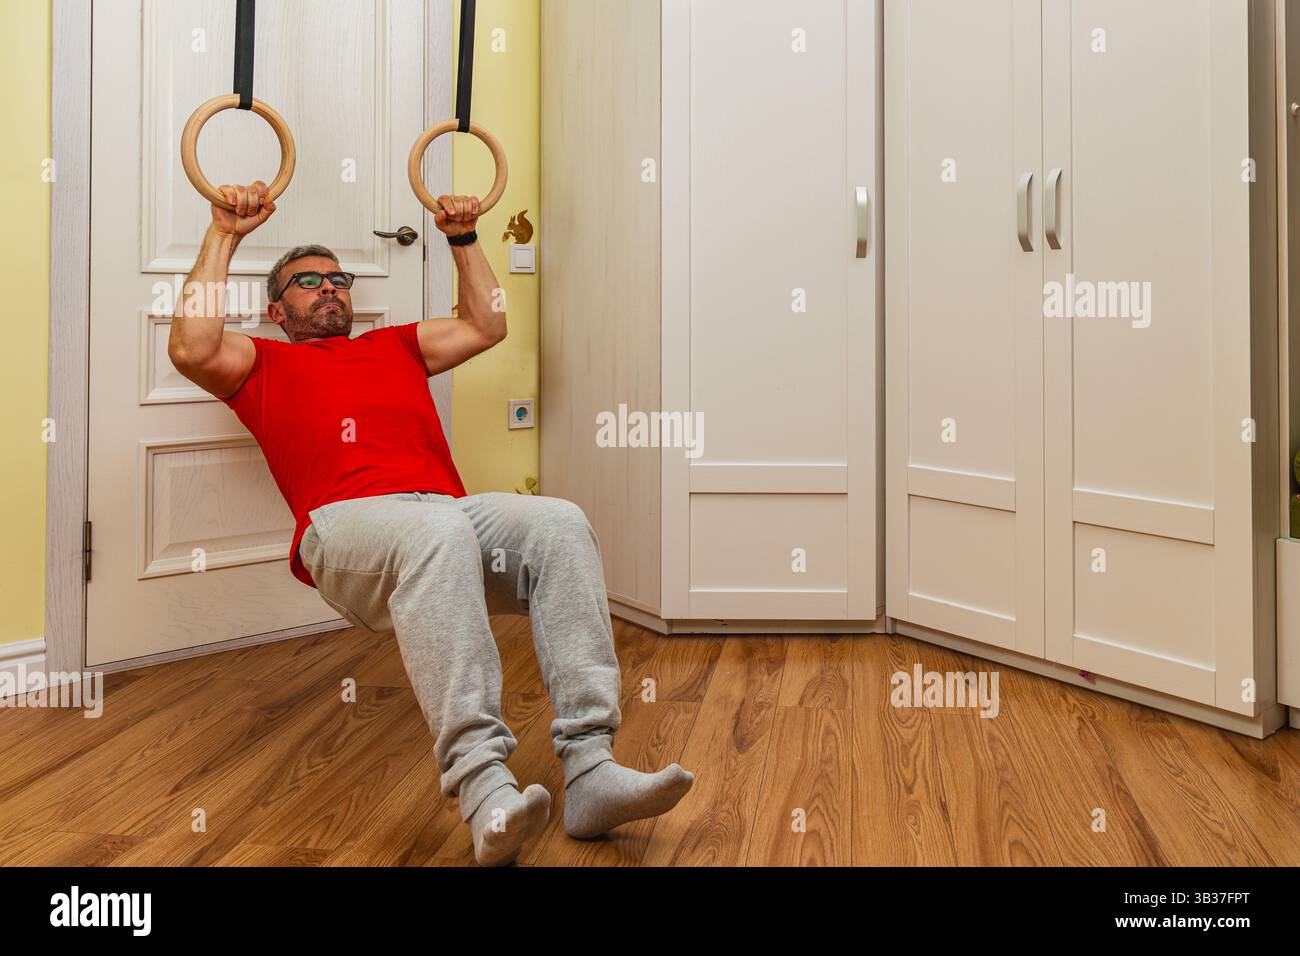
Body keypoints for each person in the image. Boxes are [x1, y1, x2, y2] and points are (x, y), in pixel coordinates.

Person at [168, 180, 694, 866]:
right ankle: (484, 791)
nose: (328, 288)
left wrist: (464, 237)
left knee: (560, 521)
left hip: (445, 515)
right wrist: (224, 234)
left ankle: (591, 768)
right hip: (349, 529)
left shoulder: (394, 347)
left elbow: (489, 324)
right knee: (437, 534)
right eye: (307, 282)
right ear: (277, 308)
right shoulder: (262, 362)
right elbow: (189, 345)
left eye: (338, 278)